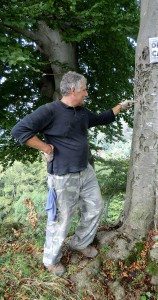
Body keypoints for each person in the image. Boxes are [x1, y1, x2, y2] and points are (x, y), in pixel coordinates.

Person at [11, 71, 135, 276]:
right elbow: (19, 131)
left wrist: (120, 106)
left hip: (85, 171)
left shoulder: (82, 112)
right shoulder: (49, 111)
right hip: (62, 175)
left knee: (95, 207)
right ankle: (51, 260)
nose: (86, 93)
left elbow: (101, 118)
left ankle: (80, 243)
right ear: (71, 90)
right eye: (84, 89)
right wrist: (45, 147)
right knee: (62, 218)